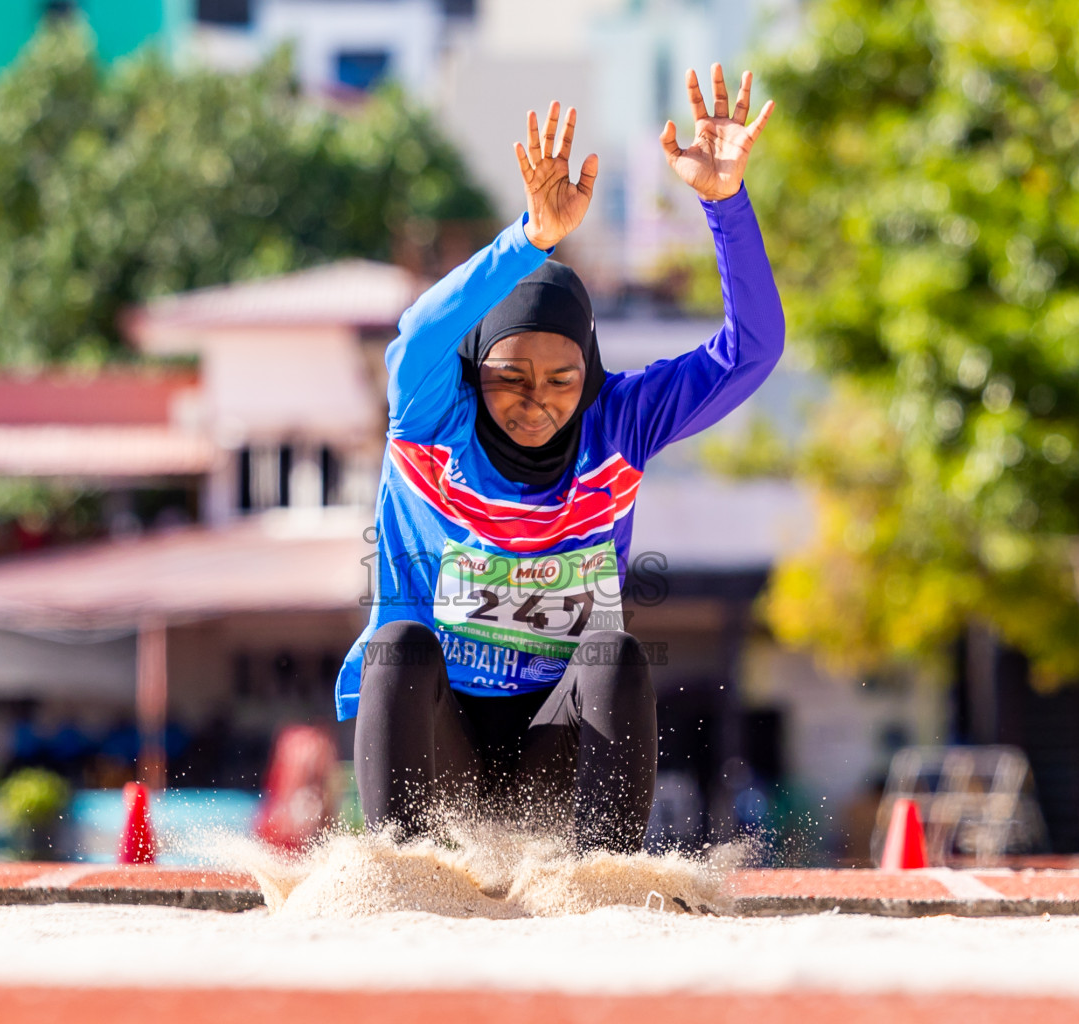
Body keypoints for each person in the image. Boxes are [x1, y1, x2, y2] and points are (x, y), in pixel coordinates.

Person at [334, 64, 784, 853]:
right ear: (476, 372)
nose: (536, 400)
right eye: (510, 377)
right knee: (398, 647)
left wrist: (725, 202)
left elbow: (753, 350)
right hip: (443, 748)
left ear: (591, 375)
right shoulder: (431, 418)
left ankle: (600, 885)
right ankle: (393, 876)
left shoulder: (623, 424)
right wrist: (531, 239)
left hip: (557, 750)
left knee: (616, 654)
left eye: (562, 379)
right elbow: (416, 333)